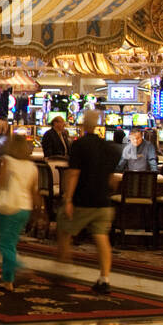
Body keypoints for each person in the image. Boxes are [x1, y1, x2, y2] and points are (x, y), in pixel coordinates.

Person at [57, 110, 115, 294]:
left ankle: (63, 268)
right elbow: (112, 179)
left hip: (84, 200)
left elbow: (74, 173)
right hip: (104, 202)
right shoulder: (109, 147)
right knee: (102, 239)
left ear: (83, 126)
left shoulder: (79, 145)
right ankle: (104, 278)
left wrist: (68, 199)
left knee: (63, 228)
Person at [0, 135, 40, 293]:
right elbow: (34, 191)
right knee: (10, 244)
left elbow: (0, 183)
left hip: (9, 206)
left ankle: (21, 268)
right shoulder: (32, 166)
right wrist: (39, 211)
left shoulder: (7, 160)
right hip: (25, 208)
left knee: (2, 244)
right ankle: (8, 281)